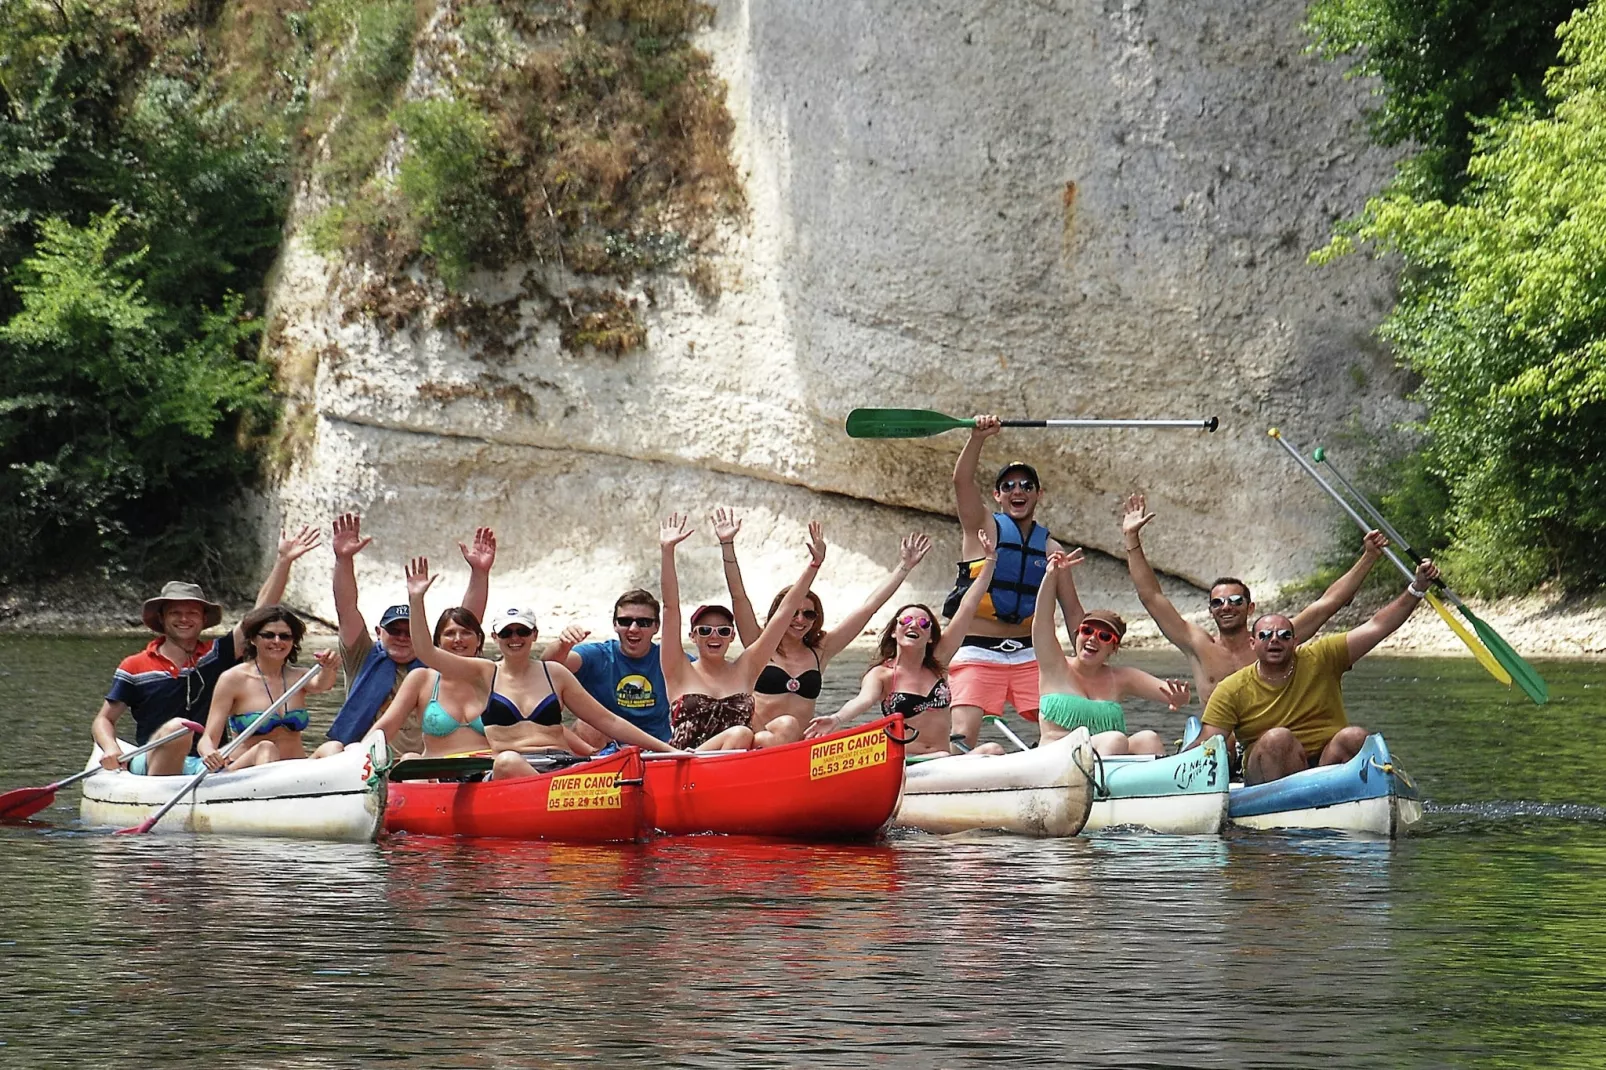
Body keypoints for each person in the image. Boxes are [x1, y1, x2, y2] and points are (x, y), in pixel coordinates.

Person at [401, 557, 676, 780]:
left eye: (522, 631)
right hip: (511, 771)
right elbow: (427, 652)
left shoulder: (554, 673)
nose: (515, 638)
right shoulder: (484, 673)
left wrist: (669, 750)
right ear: (496, 638)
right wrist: (416, 601)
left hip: (560, 764)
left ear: (534, 635)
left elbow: (608, 721)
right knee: (507, 762)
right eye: (507, 633)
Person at [90, 527, 321, 776]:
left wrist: (284, 561)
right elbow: (104, 719)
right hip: (152, 761)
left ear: (202, 619)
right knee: (179, 728)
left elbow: (259, 614)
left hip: (208, 763)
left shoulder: (216, 655)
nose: (184, 619)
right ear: (162, 618)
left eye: (192, 613)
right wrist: (110, 747)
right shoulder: (135, 665)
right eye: (175, 613)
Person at [1122, 492, 1391, 703]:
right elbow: (1151, 596)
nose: (1226, 606)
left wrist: (1368, 557)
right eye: (1218, 602)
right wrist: (1131, 539)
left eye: (1235, 601)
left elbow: (1327, 604)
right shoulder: (1196, 643)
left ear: (1250, 608)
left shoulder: (1276, 639)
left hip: (1266, 737)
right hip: (1220, 740)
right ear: (1211, 611)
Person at [1192, 558, 1441, 784]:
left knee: (1355, 736)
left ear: (1295, 640)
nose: (1274, 641)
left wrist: (1416, 588)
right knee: (1278, 738)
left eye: (1284, 635)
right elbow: (1208, 743)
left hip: (1326, 765)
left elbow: (1378, 626)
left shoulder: (1322, 656)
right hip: (1270, 771)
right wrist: (1164, 770)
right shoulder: (1231, 688)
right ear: (1252, 643)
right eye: (1265, 635)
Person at [714, 505, 932, 747]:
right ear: (779, 614)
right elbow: (738, 597)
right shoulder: (758, 644)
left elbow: (868, 608)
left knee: (801, 730)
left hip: (799, 749)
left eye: (808, 614)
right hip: (758, 743)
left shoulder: (821, 650)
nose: (800, 620)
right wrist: (727, 545)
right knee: (786, 724)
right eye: (793, 613)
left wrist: (905, 567)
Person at [945, 415, 1083, 749]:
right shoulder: (982, 529)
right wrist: (978, 438)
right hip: (977, 649)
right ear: (997, 495)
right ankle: (959, 773)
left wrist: (1086, 657)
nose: (1017, 491)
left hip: (1030, 655)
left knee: (1066, 723)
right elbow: (961, 482)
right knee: (964, 732)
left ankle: (1050, 771)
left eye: (1025, 485)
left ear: (1039, 494)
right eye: (1008, 486)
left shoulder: (1052, 549)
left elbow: (1074, 612)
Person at [808, 529, 1005, 759]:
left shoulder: (938, 663)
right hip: (906, 763)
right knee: (951, 757)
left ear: (931, 636)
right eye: (907, 621)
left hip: (944, 760)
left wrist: (990, 560)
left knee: (994, 750)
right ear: (894, 631)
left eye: (923, 623)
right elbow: (862, 701)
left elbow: (968, 607)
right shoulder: (882, 675)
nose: (914, 626)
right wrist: (836, 719)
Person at [325, 512, 496, 755]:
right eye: (394, 630)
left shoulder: (438, 664)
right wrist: (343, 560)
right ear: (378, 633)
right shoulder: (361, 655)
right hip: (372, 762)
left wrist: (480, 574)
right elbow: (346, 608)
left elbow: (466, 627)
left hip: (422, 766)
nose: (403, 637)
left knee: (410, 758)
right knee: (333, 750)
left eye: (410, 631)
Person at [659, 512, 823, 751]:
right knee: (739, 734)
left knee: (783, 726)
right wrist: (667, 551)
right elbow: (670, 607)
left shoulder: (746, 667)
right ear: (693, 636)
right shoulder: (677, 668)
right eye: (705, 630)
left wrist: (814, 566)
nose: (714, 636)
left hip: (737, 767)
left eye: (723, 631)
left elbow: (783, 613)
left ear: (732, 636)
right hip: (688, 766)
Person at [1031, 552, 1190, 757]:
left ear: (1113, 648)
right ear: (1077, 634)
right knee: (1114, 739)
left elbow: (1171, 694)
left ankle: (1157, 787)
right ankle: (1099, 787)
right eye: (1087, 631)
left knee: (1148, 739)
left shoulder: (1122, 678)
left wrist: (1180, 698)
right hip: (1055, 758)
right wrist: (1050, 577)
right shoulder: (1055, 666)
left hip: (1106, 759)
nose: (1093, 639)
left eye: (1104, 636)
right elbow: (1042, 622)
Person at [198, 606, 342, 770]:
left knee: (334, 747)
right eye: (268, 635)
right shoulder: (233, 679)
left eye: (285, 636)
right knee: (266, 748)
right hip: (244, 772)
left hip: (295, 769)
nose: (277, 641)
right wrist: (209, 752)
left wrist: (329, 667)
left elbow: (323, 684)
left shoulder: (301, 677)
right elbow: (208, 738)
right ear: (253, 639)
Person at [541, 589, 676, 747]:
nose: (633, 629)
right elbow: (548, 667)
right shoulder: (598, 655)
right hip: (605, 750)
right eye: (625, 621)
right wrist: (563, 645)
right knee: (585, 725)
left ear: (656, 627)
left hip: (660, 748)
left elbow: (703, 675)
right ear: (615, 625)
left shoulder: (669, 659)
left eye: (643, 622)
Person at [374, 607, 492, 760]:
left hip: (488, 773)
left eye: (466, 632)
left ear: (479, 640)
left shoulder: (494, 677)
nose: (458, 639)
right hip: (435, 773)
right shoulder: (422, 679)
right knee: (410, 759)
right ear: (437, 642)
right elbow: (386, 728)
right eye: (449, 633)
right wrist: (356, 757)